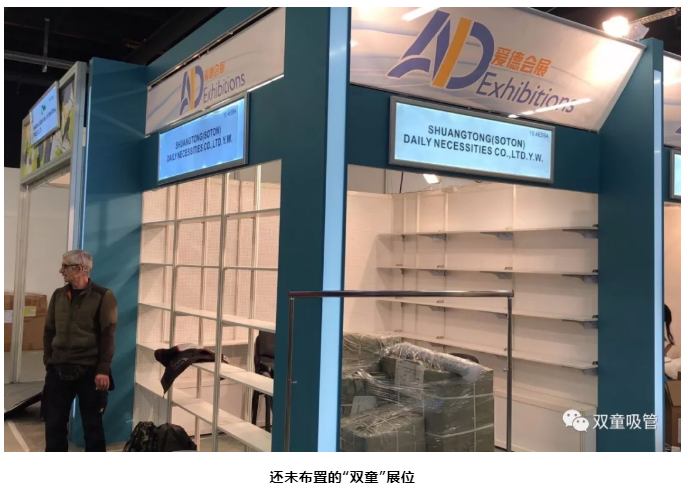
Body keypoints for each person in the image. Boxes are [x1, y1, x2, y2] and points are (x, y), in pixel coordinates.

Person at [43, 250, 117, 452]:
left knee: (93, 427)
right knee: (54, 425)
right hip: (58, 369)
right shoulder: (58, 295)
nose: (61, 271)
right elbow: (49, 330)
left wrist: (103, 370)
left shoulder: (103, 296)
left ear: (79, 269)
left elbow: (108, 336)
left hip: (89, 371)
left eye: (65, 266)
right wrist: (48, 360)